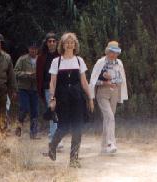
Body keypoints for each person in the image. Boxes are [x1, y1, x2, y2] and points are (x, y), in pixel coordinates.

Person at [47, 32, 94, 168]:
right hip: (62, 98)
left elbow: (84, 82)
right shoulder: (56, 61)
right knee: (64, 126)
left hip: (77, 97)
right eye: (67, 42)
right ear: (62, 44)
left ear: (75, 45)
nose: (69, 44)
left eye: (72, 42)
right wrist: (52, 98)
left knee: (78, 127)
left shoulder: (79, 60)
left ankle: (74, 159)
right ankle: (52, 145)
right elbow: (52, 82)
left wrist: (90, 98)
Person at [89, 41, 128, 154]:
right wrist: (105, 82)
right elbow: (94, 80)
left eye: (116, 52)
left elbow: (122, 79)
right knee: (110, 117)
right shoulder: (100, 62)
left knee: (108, 119)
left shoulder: (119, 63)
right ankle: (111, 143)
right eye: (111, 52)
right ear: (107, 51)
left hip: (114, 92)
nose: (113, 54)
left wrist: (112, 80)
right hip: (102, 93)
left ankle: (104, 147)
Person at [36, 32, 60, 140]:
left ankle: (54, 136)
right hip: (47, 88)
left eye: (54, 41)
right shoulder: (41, 58)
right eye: (49, 41)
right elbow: (39, 75)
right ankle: (54, 138)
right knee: (52, 111)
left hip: (60, 87)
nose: (51, 43)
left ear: (57, 43)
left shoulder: (61, 56)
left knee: (58, 112)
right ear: (46, 43)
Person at [14, 42, 39, 139]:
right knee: (24, 108)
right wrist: (26, 74)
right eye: (32, 48)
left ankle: (33, 133)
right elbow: (15, 71)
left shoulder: (39, 59)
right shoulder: (22, 59)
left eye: (35, 49)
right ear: (28, 49)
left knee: (35, 111)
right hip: (24, 88)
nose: (33, 50)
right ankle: (19, 127)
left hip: (35, 88)